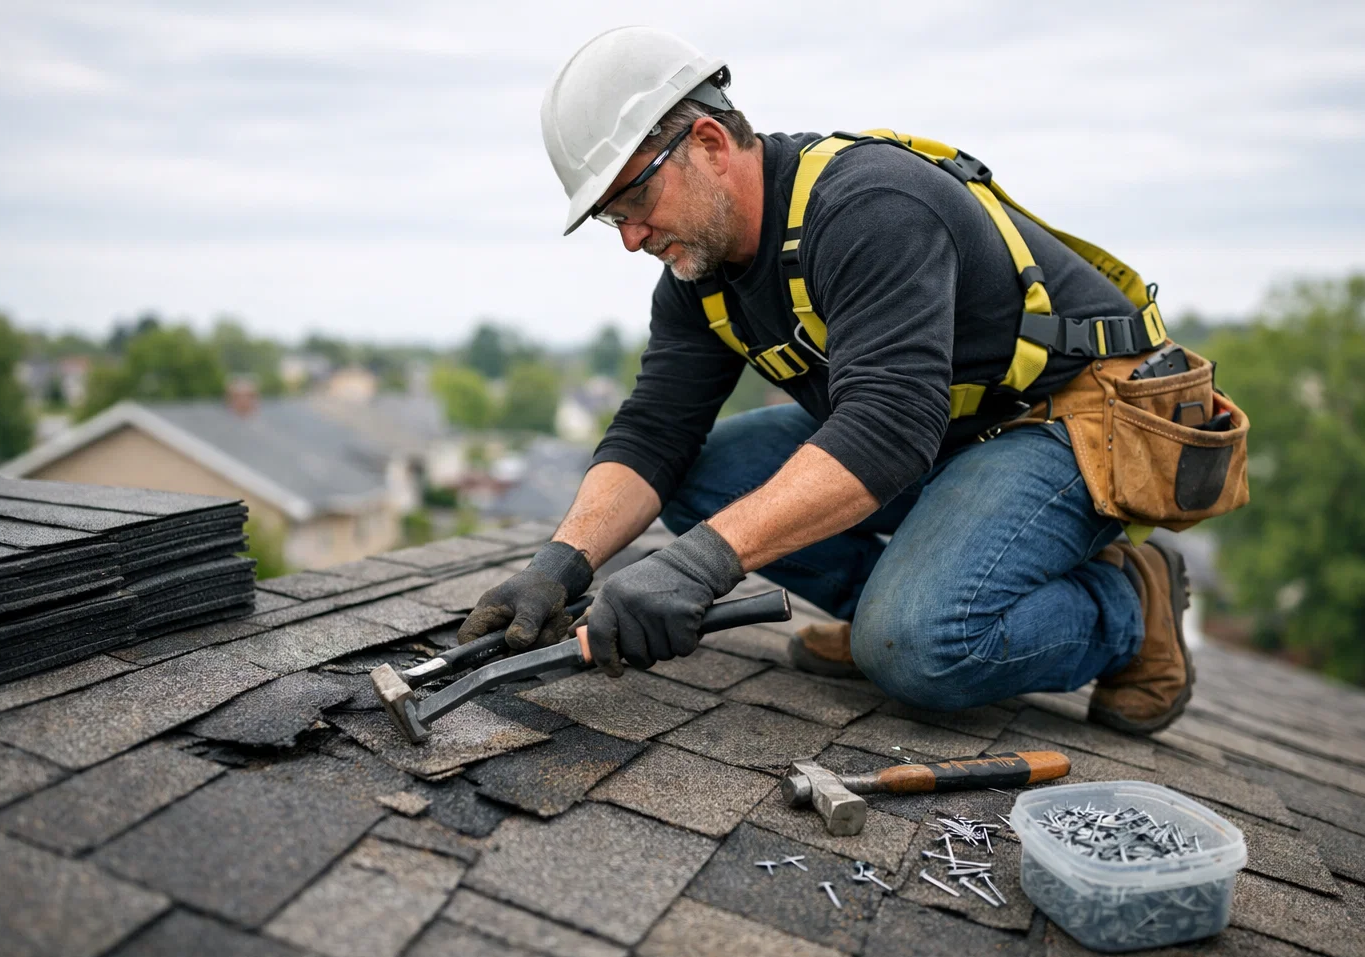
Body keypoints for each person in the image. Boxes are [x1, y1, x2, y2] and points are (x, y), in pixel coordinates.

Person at [457, 26, 1197, 735]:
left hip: (1069, 420)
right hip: (948, 430)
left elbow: (886, 430)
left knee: (919, 647)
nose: (629, 238)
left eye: (636, 202)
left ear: (708, 144)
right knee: (697, 476)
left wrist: (697, 565)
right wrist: (557, 566)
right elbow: (656, 431)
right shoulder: (699, 274)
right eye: (610, 218)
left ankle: (1128, 602)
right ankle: (893, 602)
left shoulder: (869, 208)